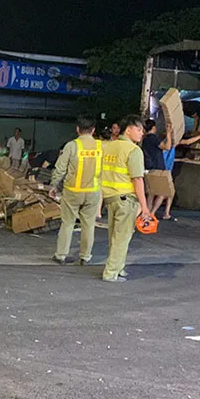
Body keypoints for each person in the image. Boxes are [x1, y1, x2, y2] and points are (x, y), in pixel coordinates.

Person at [100, 115, 152, 283]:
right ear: (128, 129)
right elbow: (137, 179)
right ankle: (111, 272)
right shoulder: (133, 150)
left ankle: (118, 266)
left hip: (110, 197)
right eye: (139, 129)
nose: (141, 133)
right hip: (126, 198)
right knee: (122, 237)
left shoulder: (109, 146)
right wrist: (145, 207)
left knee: (114, 235)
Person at [49, 115, 102, 265]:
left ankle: (61, 255)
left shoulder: (72, 146)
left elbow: (60, 168)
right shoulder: (100, 147)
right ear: (93, 130)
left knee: (68, 223)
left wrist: (54, 185)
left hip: (72, 191)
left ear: (77, 129)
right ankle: (85, 257)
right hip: (93, 191)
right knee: (88, 224)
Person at [156, 126, 200, 219]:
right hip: (164, 171)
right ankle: (153, 212)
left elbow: (187, 142)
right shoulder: (164, 143)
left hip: (165, 170)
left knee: (166, 193)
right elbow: (185, 142)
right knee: (164, 194)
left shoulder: (170, 143)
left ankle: (164, 213)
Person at [142, 119, 175, 220]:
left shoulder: (144, 139)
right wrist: (168, 134)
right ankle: (152, 213)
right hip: (158, 168)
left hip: (148, 168)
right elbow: (167, 147)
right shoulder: (153, 138)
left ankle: (146, 213)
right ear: (153, 128)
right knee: (163, 192)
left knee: (151, 193)